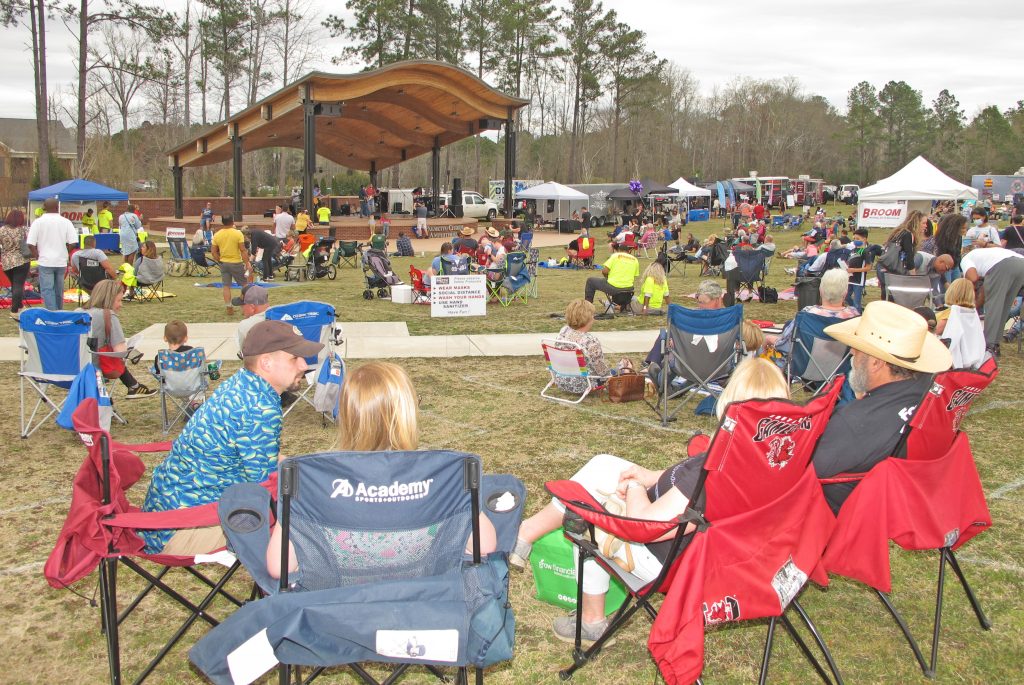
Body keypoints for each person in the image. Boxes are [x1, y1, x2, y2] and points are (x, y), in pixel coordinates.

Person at [511, 358, 790, 643]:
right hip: (712, 550)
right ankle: (525, 534)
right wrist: (649, 477)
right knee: (601, 464)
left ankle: (590, 621)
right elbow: (684, 487)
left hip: (663, 560)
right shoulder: (771, 464)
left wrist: (634, 487)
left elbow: (645, 525)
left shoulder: (713, 471)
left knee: (584, 511)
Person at [267, 361, 498, 578]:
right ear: (405, 417)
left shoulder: (313, 480)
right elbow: (485, 546)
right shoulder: (442, 475)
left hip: (341, 599)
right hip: (423, 595)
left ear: (347, 416)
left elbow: (279, 567)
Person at [141, 320, 323, 555]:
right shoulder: (259, 407)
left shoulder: (243, 384)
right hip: (184, 528)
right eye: (294, 358)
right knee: (308, 529)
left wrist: (303, 469)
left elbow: (259, 457)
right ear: (266, 362)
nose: (304, 365)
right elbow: (264, 487)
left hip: (163, 519)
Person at [814, 301, 953, 513]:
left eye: (857, 351)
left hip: (848, 513)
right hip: (904, 501)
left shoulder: (854, 422)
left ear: (876, 363)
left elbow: (810, 472)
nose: (851, 354)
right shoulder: (932, 398)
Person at [84, 279, 155, 398]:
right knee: (114, 352)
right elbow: (120, 351)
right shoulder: (108, 316)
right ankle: (132, 387)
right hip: (94, 371)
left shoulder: (77, 313)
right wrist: (132, 351)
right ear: (108, 299)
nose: (121, 305)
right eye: (119, 300)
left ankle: (133, 386)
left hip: (68, 371)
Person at [552, 299, 632, 396]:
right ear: (588, 319)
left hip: (561, 380)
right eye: (593, 316)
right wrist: (622, 371)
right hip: (584, 384)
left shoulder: (564, 331)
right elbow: (603, 373)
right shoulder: (590, 341)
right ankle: (626, 370)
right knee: (623, 365)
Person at [768, 268, 860, 352]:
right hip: (842, 364)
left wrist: (769, 339)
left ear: (820, 290)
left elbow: (785, 345)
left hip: (804, 364)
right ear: (845, 293)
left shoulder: (806, 314)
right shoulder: (855, 317)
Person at [959, 245, 1024, 354]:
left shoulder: (966, 258)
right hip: (1021, 263)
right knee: (1004, 306)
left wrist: (971, 301)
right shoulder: (984, 254)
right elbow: (984, 288)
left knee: (994, 306)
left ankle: (989, 345)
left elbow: (973, 278)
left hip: (1003, 266)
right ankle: (996, 343)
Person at [27, 198, 78, 311]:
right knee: (59, 289)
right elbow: (73, 242)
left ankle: (52, 313)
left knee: (47, 289)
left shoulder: (38, 222)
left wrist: (36, 255)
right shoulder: (66, 222)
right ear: (57, 207)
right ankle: (58, 312)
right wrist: (65, 252)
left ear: (44, 207)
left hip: (45, 261)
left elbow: (30, 243)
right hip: (60, 261)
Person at [211, 215, 251, 315]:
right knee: (244, 285)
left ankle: (229, 307)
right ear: (232, 221)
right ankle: (244, 306)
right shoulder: (238, 233)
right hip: (236, 262)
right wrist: (247, 263)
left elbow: (213, 252)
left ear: (222, 222)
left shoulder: (217, 235)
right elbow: (243, 250)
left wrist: (220, 260)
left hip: (224, 263)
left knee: (226, 286)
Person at [584, 241, 639, 309]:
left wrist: (607, 277)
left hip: (615, 288)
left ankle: (587, 306)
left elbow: (604, 271)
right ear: (629, 251)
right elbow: (634, 276)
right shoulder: (635, 260)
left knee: (590, 281)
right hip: (629, 290)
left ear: (618, 250)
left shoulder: (615, 256)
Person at [0, 210, 31, 315]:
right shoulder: (24, 230)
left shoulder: (2, 230)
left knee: (14, 284)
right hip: (22, 260)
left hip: (7, 262)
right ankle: (14, 310)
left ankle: (20, 306)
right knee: (19, 285)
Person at [235, 283, 270, 351]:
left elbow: (244, 352)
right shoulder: (281, 316)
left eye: (242, 306)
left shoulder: (246, 325)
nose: (242, 311)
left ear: (252, 307)